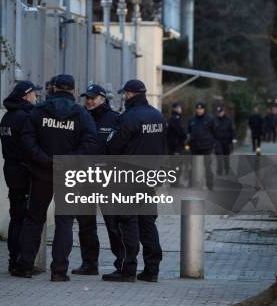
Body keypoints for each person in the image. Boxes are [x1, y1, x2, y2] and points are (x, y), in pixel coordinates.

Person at [15, 74, 98, 281]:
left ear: (53, 88)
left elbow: (27, 139)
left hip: (41, 173)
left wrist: (44, 160)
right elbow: (90, 142)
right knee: (65, 222)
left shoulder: (38, 111)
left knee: (34, 219)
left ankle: (24, 266)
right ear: (72, 90)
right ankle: (59, 271)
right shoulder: (81, 113)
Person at [105, 79, 166, 283]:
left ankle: (128, 269)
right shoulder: (157, 116)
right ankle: (152, 269)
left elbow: (113, 146)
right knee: (148, 222)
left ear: (130, 94)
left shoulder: (129, 118)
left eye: (125, 94)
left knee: (127, 222)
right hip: (149, 177)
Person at [71, 83, 121, 276]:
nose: (89, 101)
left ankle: (122, 263)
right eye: (87, 98)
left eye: (93, 98)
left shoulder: (115, 119)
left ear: (103, 98)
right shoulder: (80, 117)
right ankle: (89, 263)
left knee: (113, 223)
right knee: (85, 224)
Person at [0, 80, 42, 275]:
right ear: (26, 96)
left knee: (15, 216)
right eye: (34, 94)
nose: (36, 97)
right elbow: (29, 146)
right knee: (25, 218)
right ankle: (21, 263)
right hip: (24, 171)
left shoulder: (7, 117)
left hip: (10, 169)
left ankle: (12, 260)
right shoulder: (25, 117)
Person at [188, 102, 215, 189]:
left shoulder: (209, 119)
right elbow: (189, 131)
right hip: (194, 146)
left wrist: (212, 143)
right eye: (198, 109)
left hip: (206, 147)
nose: (199, 110)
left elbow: (214, 132)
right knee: (192, 166)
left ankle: (210, 185)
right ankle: (191, 183)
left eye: (201, 109)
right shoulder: (192, 119)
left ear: (204, 109)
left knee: (207, 166)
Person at [213, 105, 235, 175]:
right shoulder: (214, 120)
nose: (219, 113)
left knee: (226, 157)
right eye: (218, 112)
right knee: (219, 155)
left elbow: (232, 131)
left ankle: (227, 169)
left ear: (223, 112)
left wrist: (233, 140)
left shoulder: (228, 120)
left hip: (226, 141)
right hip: (217, 141)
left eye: (221, 112)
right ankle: (219, 170)